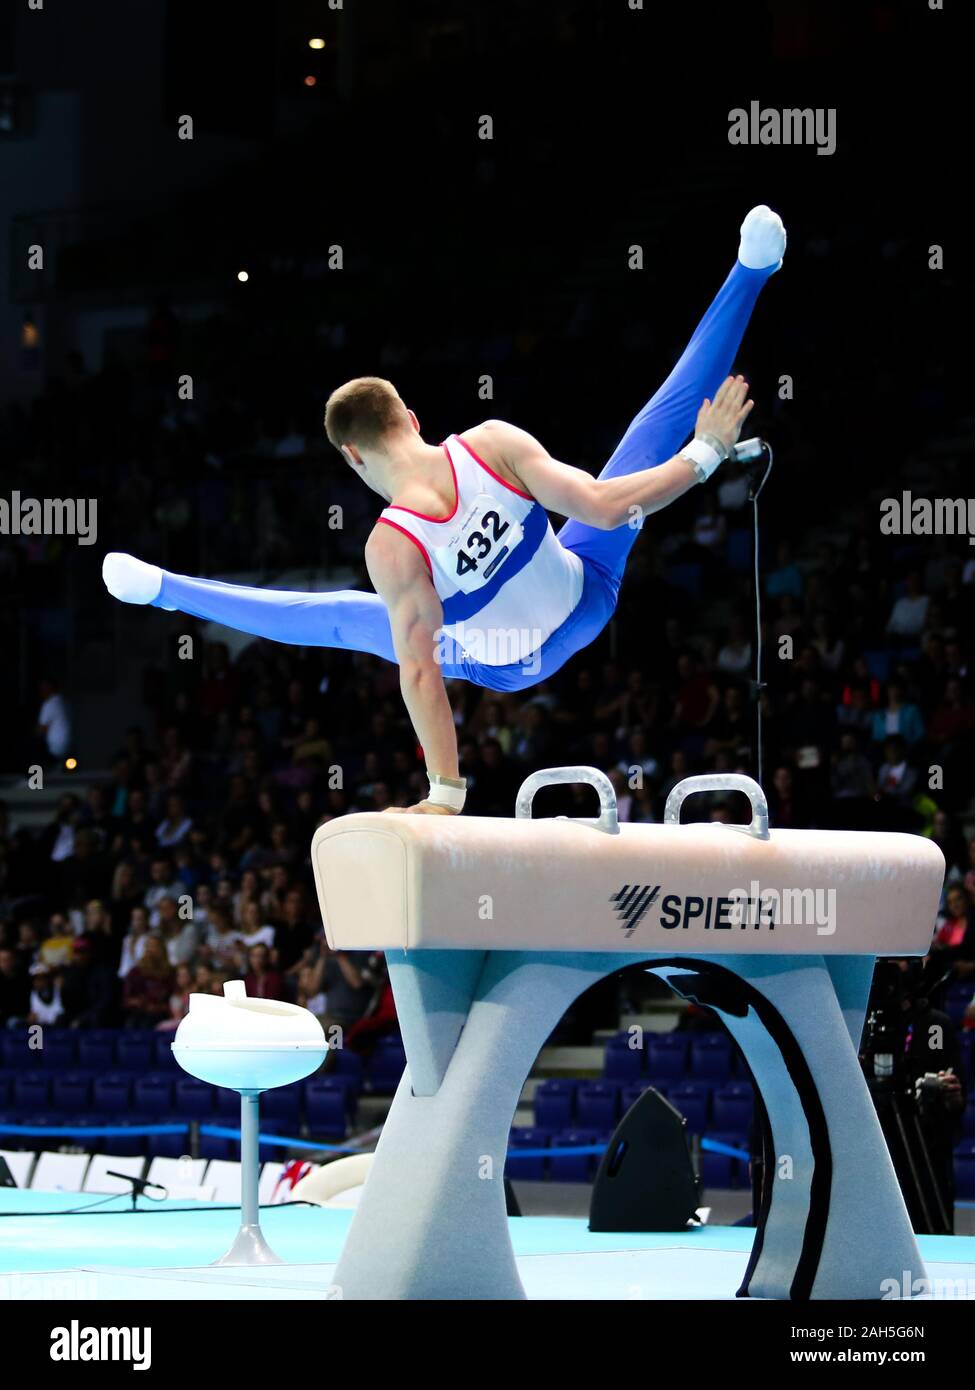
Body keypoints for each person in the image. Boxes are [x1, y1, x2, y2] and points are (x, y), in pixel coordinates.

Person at [102, 207, 786, 815]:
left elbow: (423, 672)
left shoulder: (392, 547)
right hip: (587, 593)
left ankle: (166, 590)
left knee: (338, 618)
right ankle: (750, 272)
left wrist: (445, 793)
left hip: (510, 662)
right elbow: (608, 508)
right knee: (647, 434)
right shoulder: (493, 444)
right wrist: (701, 454)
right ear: (412, 416)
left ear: (350, 456)